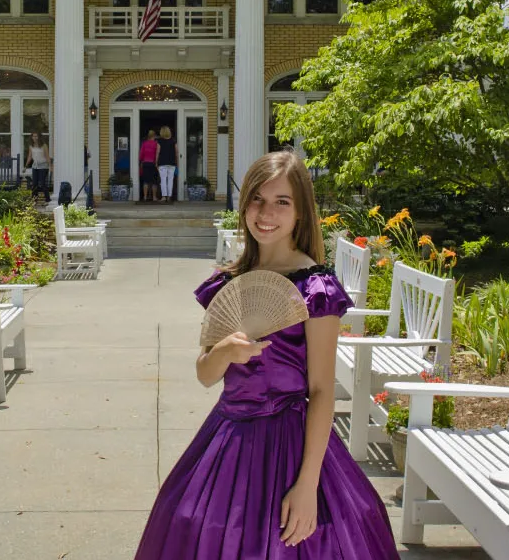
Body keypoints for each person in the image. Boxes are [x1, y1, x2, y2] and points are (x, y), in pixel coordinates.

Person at [135, 151, 400, 560]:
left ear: (300, 212)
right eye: (257, 199)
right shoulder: (229, 281)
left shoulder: (315, 289)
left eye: (282, 202)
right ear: (244, 206)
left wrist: (308, 483)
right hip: (228, 434)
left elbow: (322, 391)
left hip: (291, 441)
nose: (266, 213)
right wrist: (225, 350)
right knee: (193, 521)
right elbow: (206, 375)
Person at [24, 131, 50, 197]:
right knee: (34, 184)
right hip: (35, 166)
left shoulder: (44, 145)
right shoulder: (31, 146)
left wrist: (51, 167)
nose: (35, 138)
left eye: (36, 136)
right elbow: (30, 156)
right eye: (33, 136)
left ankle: (47, 199)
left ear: (39, 137)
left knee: (42, 183)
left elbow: (47, 157)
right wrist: (26, 166)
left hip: (43, 167)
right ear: (32, 137)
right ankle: (34, 200)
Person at [156, 125, 178, 203]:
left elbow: (158, 152)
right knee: (170, 180)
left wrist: (156, 162)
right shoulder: (173, 140)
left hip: (162, 163)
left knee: (163, 180)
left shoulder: (159, 141)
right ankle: (169, 196)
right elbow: (176, 153)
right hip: (172, 163)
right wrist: (177, 162)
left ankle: (164, 197)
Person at [139, 129, 160, 203]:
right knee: (154, 181)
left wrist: (141, 161)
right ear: (154, 136)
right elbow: (158, 154)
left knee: (146, 181)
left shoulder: (144, 143)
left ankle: (145, 197)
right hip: (153, 164)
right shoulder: (156, 144)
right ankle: (154, 197)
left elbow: (141, 154)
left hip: (145, 163)